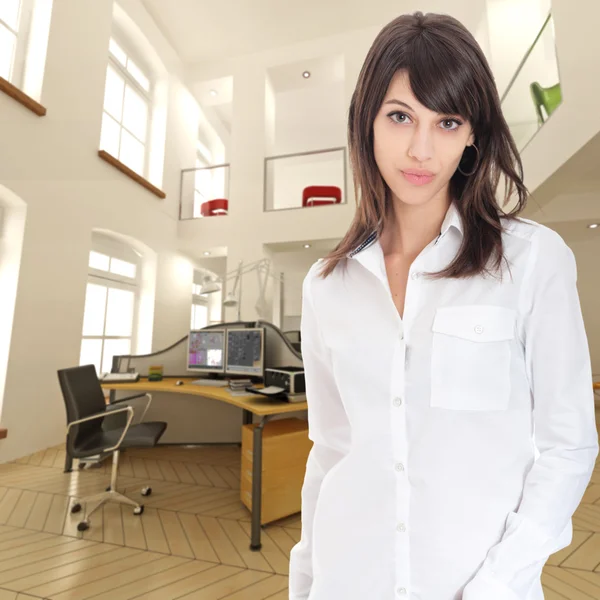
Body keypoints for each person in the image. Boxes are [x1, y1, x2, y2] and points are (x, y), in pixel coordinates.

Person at [288, 11, 599, 600]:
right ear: (367, 122)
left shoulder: (533, 262)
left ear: (472, 134)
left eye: (448, 121)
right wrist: (305, 581)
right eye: (400, 116)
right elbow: (330, 451)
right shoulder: (325, 286)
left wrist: (499, 585)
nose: (421, 149)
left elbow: (568, 445)